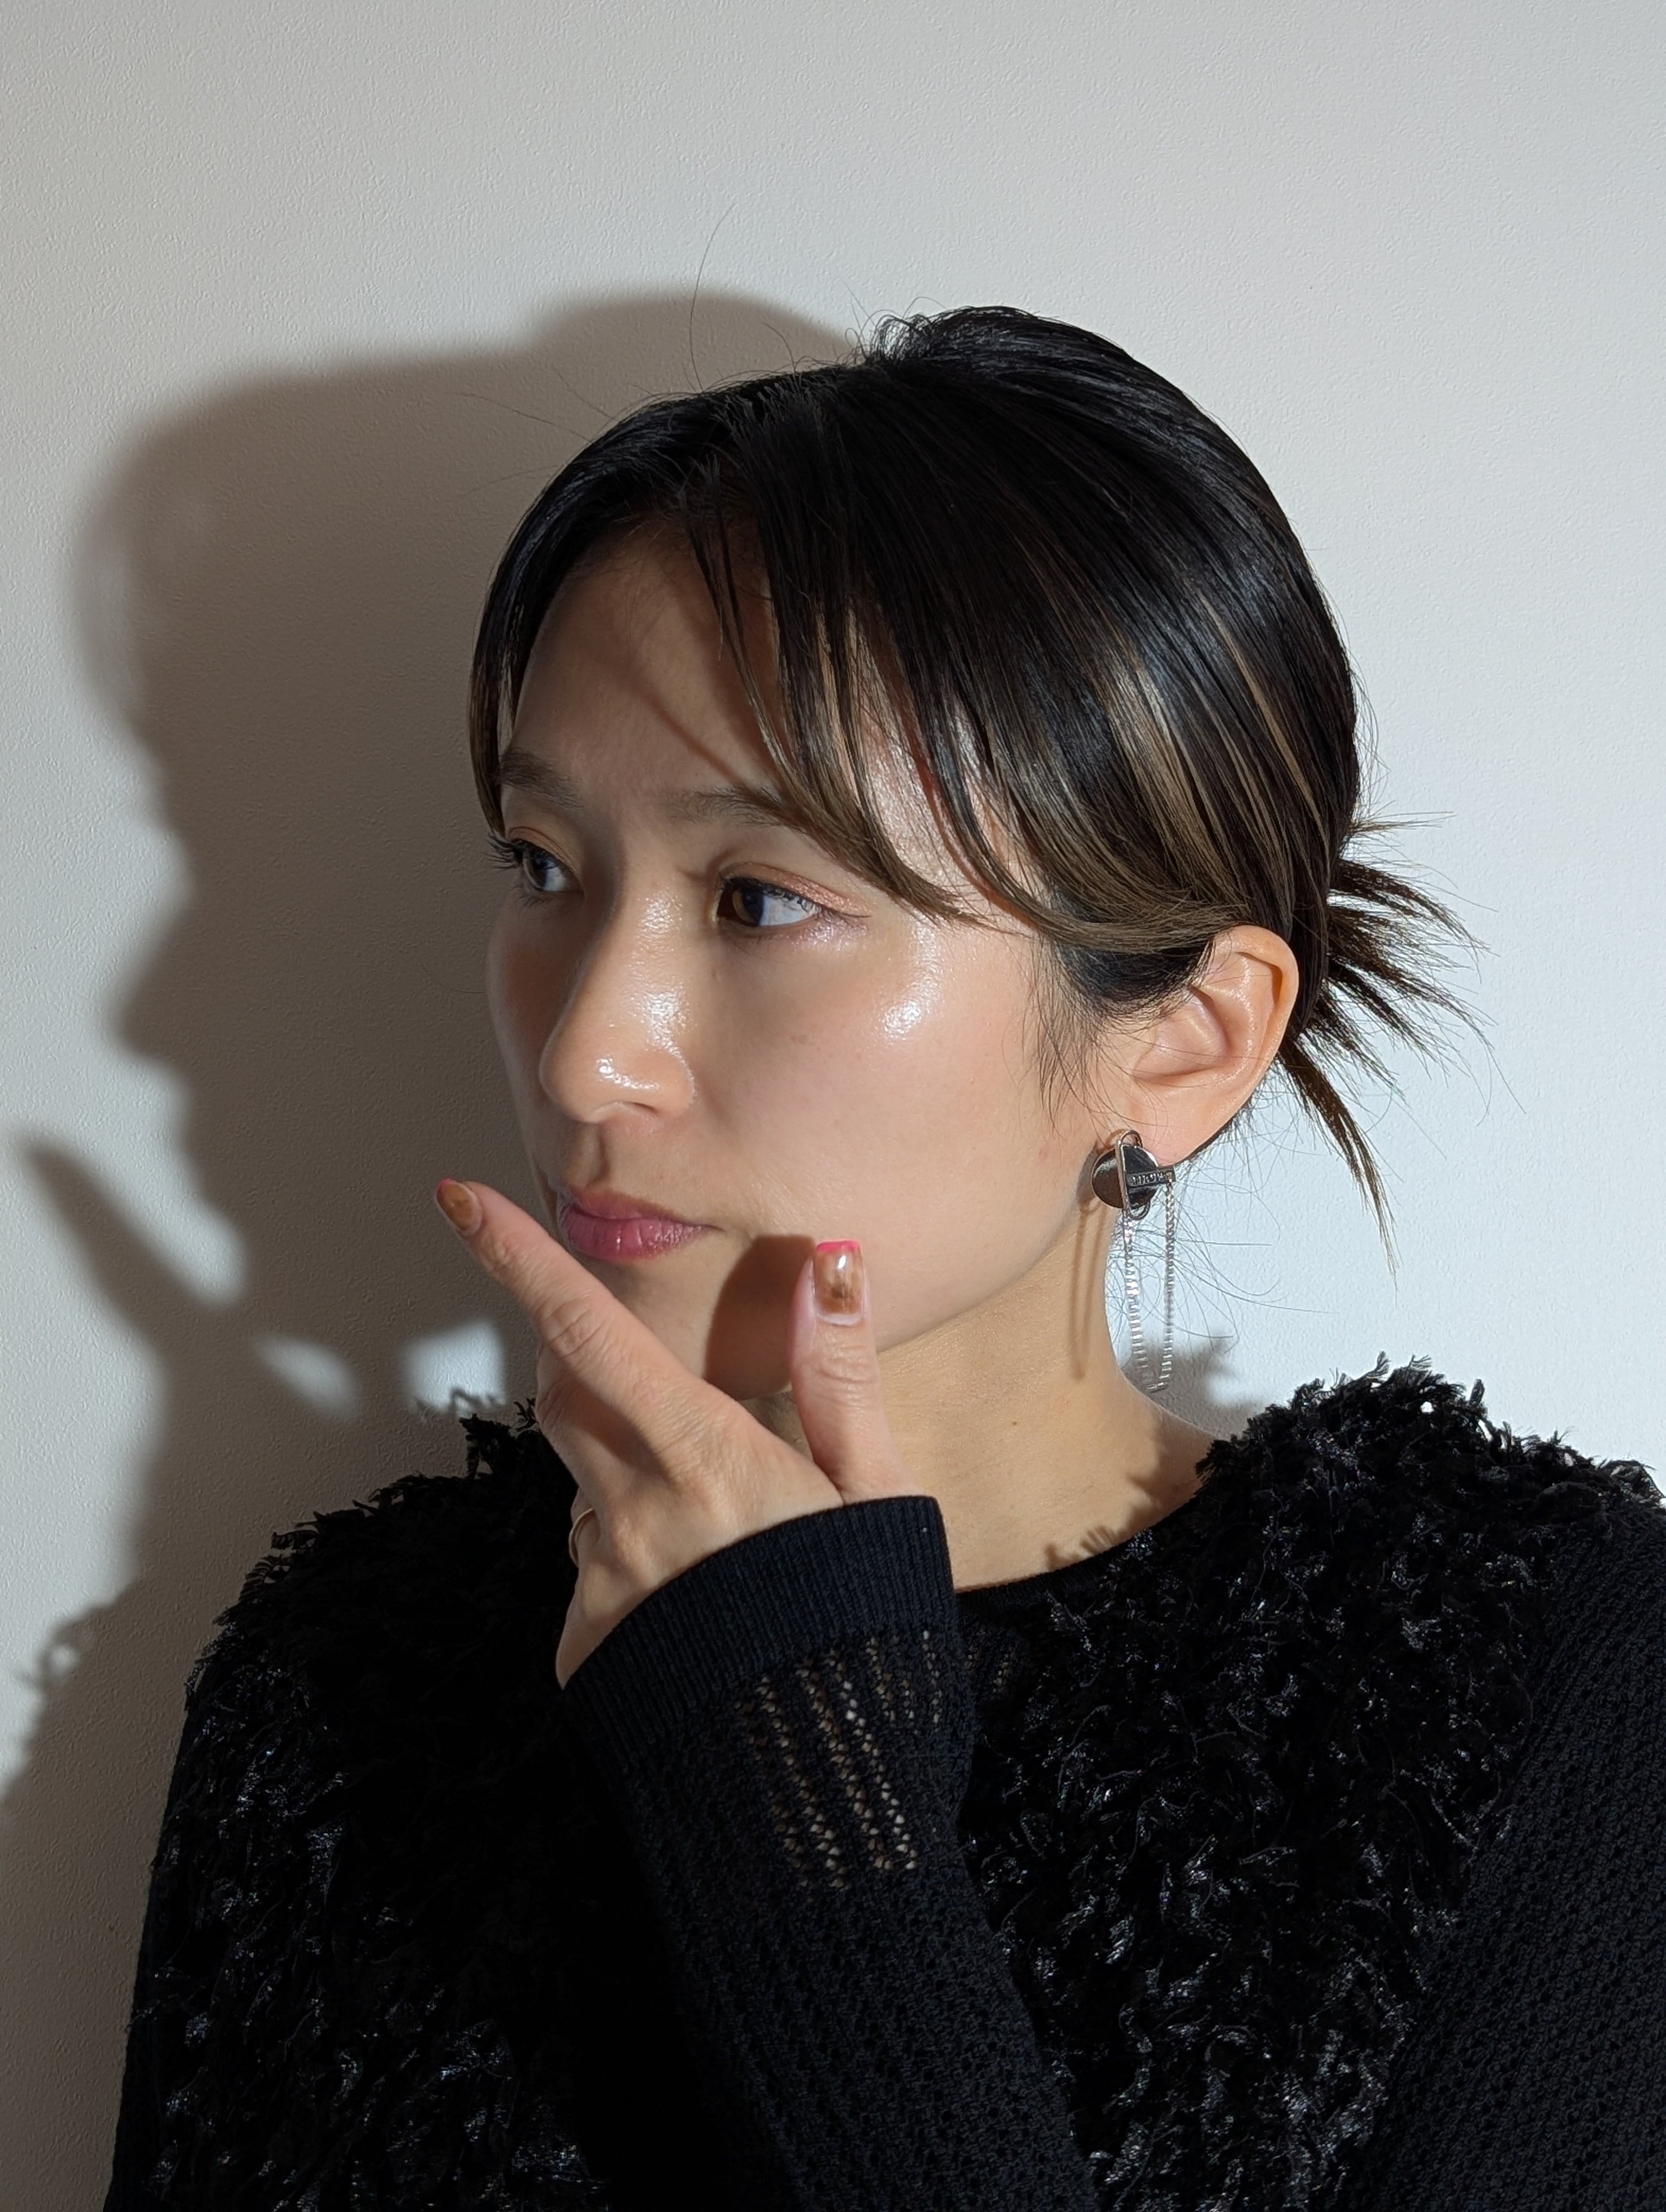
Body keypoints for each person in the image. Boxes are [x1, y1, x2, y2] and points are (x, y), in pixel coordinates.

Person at [103, 307, 1665, 2210]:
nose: (584, 1051)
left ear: (1184, 1043)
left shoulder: (1525, 1681)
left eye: (762, 898)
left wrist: (792, 1811)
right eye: (542, 864)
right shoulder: (342, 1689)